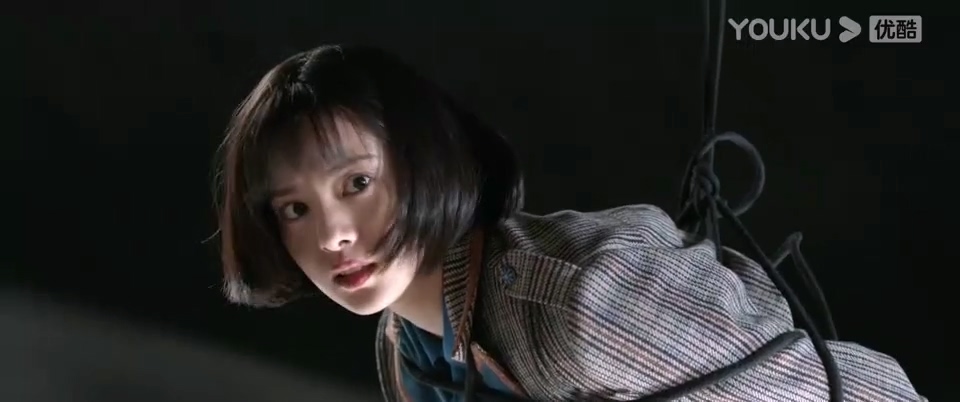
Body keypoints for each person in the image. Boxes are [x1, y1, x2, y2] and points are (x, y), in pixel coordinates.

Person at [212, 44, 925, 401]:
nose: (332, 233)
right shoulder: (406, 351)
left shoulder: (575, 302)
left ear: (426, 160)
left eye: (358, 183)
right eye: (295, 209)